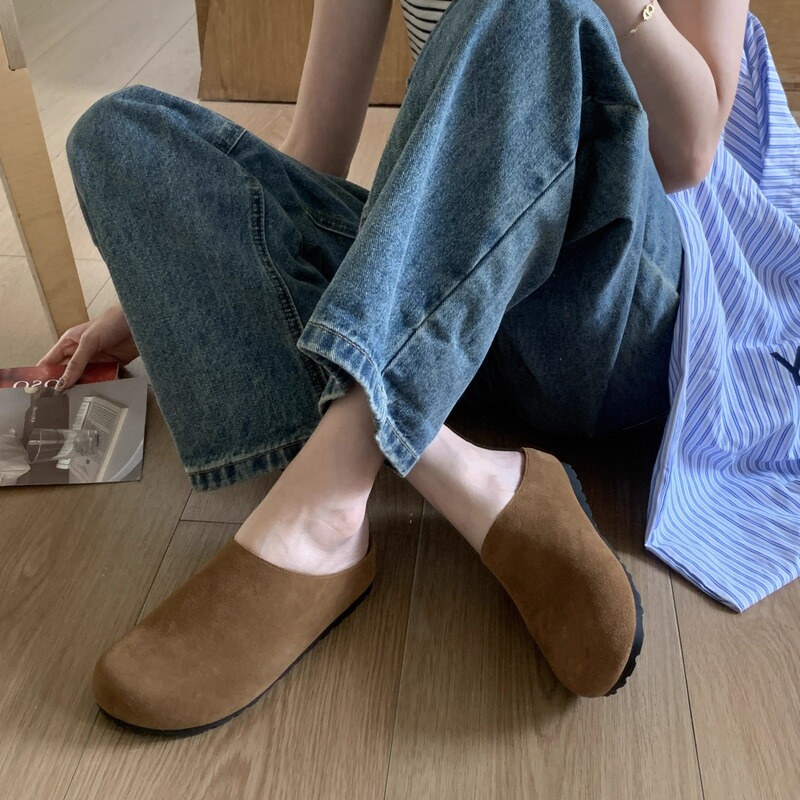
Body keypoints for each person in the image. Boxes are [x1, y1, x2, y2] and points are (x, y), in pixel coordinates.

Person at [38, 0, 755, 735]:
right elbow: (314, 151)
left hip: (603, 306)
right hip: (451, 298)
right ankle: (459, 468)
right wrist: (163, 293)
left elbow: (690, 153)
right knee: (118, 137)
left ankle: (326, 506)